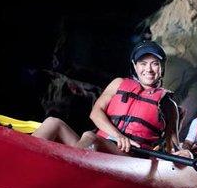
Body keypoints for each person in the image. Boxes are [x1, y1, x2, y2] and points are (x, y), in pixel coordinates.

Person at [32, 40, 182, 156]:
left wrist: (182, 152)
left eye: (154, 64)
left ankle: (64, 168)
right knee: (53, 122)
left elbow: (173, 145)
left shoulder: (168, 105)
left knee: (91, 137)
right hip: (100, 145)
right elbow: (96, 112)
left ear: (162, 68)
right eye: (143, 64)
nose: (148, 69)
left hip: (131, 156)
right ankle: (25, 158)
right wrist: (118, 136)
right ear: (135, 67)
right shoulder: (118, 84)